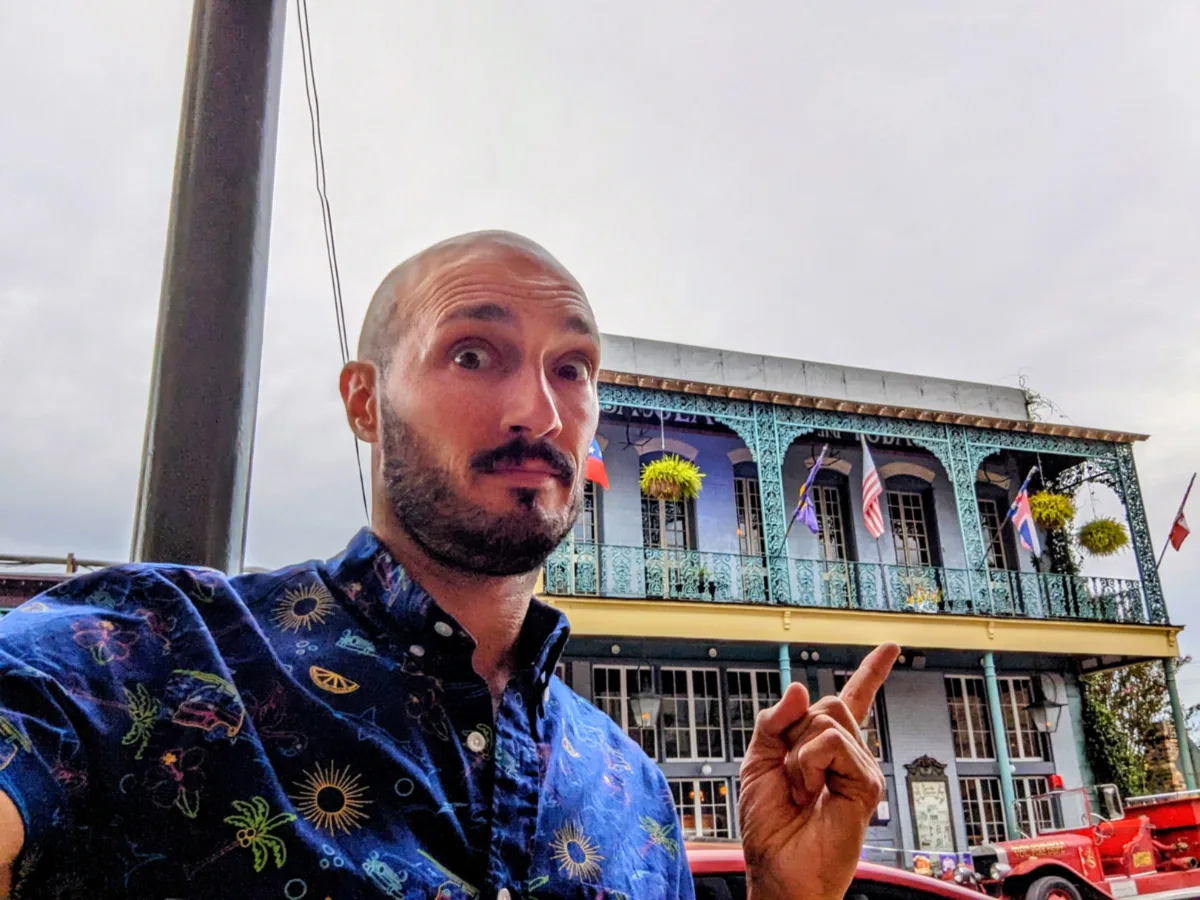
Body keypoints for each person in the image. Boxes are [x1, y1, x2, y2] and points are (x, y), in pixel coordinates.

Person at [0, 231, 897, 899]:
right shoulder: (149, 648)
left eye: (572, 368)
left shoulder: (634, 791)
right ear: (365, 401)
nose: (536, 411)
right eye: (474, 354)